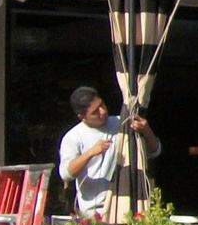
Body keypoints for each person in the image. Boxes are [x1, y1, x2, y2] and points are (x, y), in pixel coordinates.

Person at [59, 85, 160, 216]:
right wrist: (90, 153)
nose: (103, 111)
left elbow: (155, 151)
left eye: (102, 105)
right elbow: (66, 173)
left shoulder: (122, 123)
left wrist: (147, 131)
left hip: (125, 204)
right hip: (95, 211)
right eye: (95, 111)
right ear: (82, 117)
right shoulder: (73, 137)